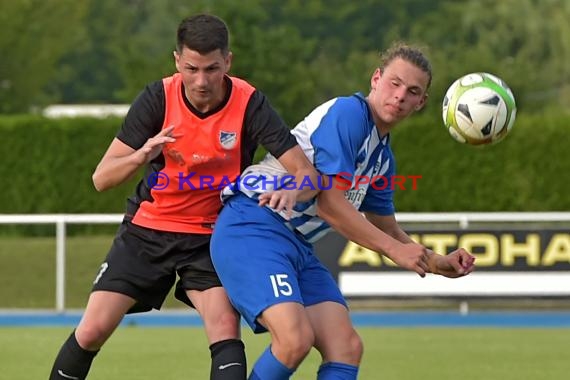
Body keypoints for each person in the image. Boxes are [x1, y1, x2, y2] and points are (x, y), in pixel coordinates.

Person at [49, 14, 319, 380]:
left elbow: (306, 175)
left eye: (212, 69)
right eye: (191, 68)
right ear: (177, 61)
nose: (202, 81)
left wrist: (286, 189)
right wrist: (141, 155)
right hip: (148, 230)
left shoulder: (249, 103)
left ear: (228, 61)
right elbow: (101, 178)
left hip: (212, 235)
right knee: (93, 329)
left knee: (224, 327)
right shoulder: (156, 98)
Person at [210, 42, 476, 380]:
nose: (399, 96)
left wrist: (438, 263)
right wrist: (395, 250)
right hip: (253, 225)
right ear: (376, 79)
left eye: (412, 91)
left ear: (421, 102)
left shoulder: (383, 159)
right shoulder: (349, 114)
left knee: (346, 346)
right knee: (294, 341)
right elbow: (330, 204)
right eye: (394, 83)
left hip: (295, 247)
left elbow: (387, 229)